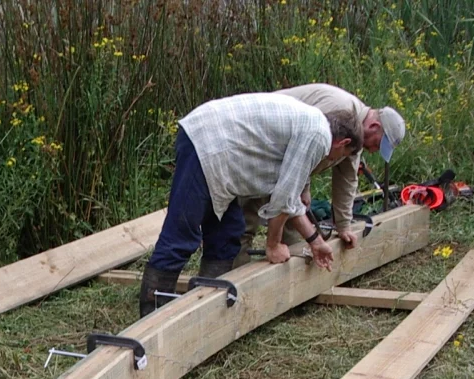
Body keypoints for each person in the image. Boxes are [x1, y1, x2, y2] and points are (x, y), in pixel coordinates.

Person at [139, 93, 363, 317]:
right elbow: (284, 197)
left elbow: (289, 195)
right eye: (344, 154)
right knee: (181, 237)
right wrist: (273, 244)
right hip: (206, 143)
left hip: (223, 157)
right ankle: (151, 316)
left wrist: (314, 241)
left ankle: (208, 311)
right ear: (343, 142)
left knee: (227, 234)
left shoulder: (315, 124)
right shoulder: (319, 136)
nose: (337, 160)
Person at [237, 84, 406, 261]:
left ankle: (291, 277)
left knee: (292, 220)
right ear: (373, 126)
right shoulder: (339, 109)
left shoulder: (355, 129)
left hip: (286, 165)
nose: (373, 151)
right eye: (378, 144)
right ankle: (231, 279)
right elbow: (303, 145)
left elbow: (347, 179)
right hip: (259, 150)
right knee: (244, 225)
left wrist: (343, 226)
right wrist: (303, 188)